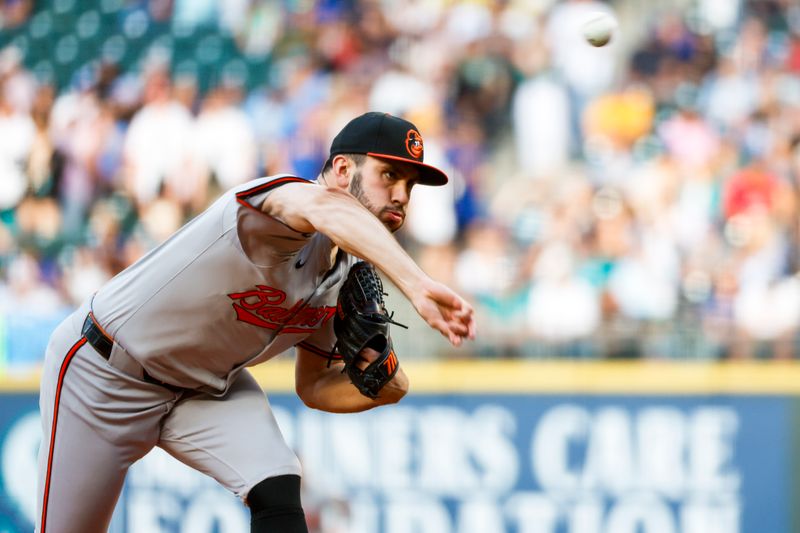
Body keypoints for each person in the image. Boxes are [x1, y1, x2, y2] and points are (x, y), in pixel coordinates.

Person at [36, 112, 476, 533]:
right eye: (389, 176)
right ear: (342, 169)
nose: (401, 194)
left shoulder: (343, 275)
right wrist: (416, 284)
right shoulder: (280, 204)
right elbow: (329, 212)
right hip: (104, 372)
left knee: (278, 481)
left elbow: (315, 386)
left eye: (410, 185)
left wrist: (390, 384)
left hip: (205, 388)